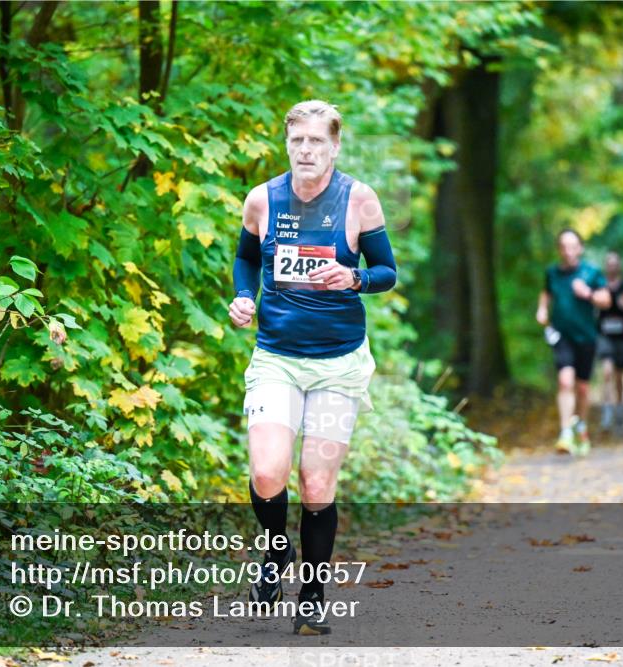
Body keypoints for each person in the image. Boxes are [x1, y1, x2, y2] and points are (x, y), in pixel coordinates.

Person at [228, 100, 397, 636]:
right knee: (267, 472)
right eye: (298, 140)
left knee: (318, 485)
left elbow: (388, 271)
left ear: (335, 146)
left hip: (338, 365)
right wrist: (242, 297)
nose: (307, 150)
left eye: (317, 141)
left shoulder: (358, 200)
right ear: (286, 144)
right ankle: (276, 557)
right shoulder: (262, 199)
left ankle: (314, 595)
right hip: (276, 358)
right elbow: (246, 258)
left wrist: (355, 280)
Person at [536, 229, 611, 456]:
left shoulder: (591, 272)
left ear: (580, 248)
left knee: (582, 387)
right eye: (563, 247)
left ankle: (581, 426)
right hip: (561, 336)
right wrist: (542, 309)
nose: (568, 251)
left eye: (572, 246)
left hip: (586, 337)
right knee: (565, 381)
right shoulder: (552, 273)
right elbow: (546, 293)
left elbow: (606, 300)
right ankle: (565, 431)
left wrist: (587, 293)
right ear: (559, 249)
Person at [596, 251, 623, 435]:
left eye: (614, 263)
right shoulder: (600, 286)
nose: (611, 266)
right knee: (607, 372)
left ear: (619, 266)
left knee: (619, 375)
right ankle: (607, 412)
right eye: (608, 263)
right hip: (604, 336)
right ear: (605, 266)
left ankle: (620, 409)